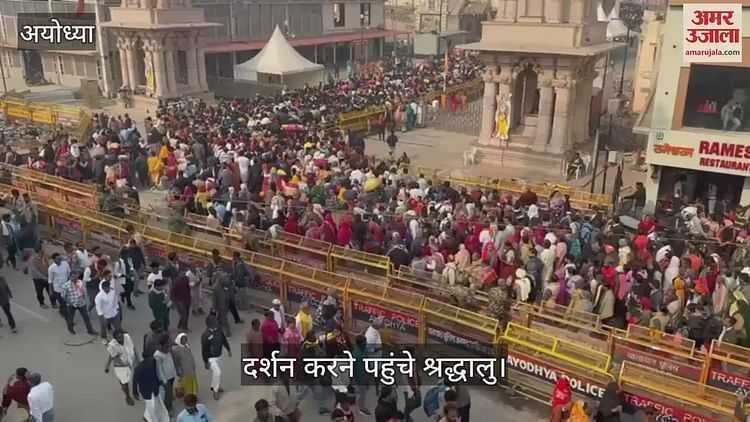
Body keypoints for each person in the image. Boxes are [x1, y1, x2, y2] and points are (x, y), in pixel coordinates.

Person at [133, 350, 170, 422]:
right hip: (146, 390)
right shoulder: (139, 368)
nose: (152, 358)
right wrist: (135, 392)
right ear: (147, 358)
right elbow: (135, 381)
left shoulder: (153, 364)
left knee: (155, 404)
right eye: (150, 357)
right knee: (151, 406)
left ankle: (147, 416)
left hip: (154, 387)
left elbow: (156, 374)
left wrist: (160, 382)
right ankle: (152, 419)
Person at [201, 315, 231, 400]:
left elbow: (223, 340)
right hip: (211, 358)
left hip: (219, 355)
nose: (217, 323)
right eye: (215, 322)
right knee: (217, 372)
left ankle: (213, 385)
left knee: (216, 373)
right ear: (210, 324)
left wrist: (228, 349)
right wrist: (206, 361)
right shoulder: (205, 335)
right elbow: (204, 349)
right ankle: (215, 390)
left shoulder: (219, 330)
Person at [104, 329, 138, 406]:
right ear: (115, 339)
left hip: (131, 360)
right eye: (119, 338)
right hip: (121, 366)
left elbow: (133, 348)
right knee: (125, 383)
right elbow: (115, 359)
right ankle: (127, 396)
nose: (121, 339)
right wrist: (108, 365)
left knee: (135, 378)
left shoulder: (127, 337)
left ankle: (135, 392)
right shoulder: (112, 345)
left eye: (121, 336)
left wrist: (137, 359)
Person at [154, 334, 177, 415]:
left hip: (171, 375)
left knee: (170, 391)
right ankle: (167, 407)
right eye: (169, 342)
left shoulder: (169, 350)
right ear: (164, 344)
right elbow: (159, 369)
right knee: (168, 393)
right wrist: (164, 380)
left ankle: (170, 400)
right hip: (165, 378)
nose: (171, 343)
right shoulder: (158, 355)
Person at [173, 334, 198, 399]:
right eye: (183, 340)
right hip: (183, 369)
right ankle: (186, 395)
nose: (184, 341)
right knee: (185, 382)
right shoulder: (176, 350)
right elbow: (176, 361)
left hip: (190, 367)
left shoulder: (187, 346)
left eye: (185, 339)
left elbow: (190, 355)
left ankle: (192, 393)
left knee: (191, 380)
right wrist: (178, 370)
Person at [47, 253, 71, 319]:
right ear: (54, 260)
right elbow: (50, 280)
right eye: (58, 259)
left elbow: (69, 274)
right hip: (58, 288)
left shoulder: (65, 264)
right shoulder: (51, 268)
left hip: (66, 287)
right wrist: (50, 290)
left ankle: (61, 311)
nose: (60, 260)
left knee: (66, 302)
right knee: (63, 302)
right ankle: (68, 317)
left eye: (60, 258)